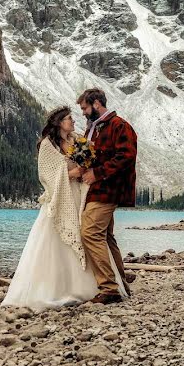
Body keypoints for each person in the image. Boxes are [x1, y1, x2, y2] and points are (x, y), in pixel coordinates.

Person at [1, 106, 127, 310]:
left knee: (85, 234)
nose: (73, 121)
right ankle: (53, 288)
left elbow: (91, 160)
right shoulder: (47, 145)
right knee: (55, 242)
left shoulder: (78, 140)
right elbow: (46, 176)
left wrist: (84, 169)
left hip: (78, 195)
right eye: (69, 119)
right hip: (60, 197)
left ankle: (94, 286)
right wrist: (72, 173)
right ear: (59, 122)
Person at [77, 88, 137, 305]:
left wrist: (97, 173)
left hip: (108, 190)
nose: (83, 112)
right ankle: (120, 284)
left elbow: (127, 156)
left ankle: (109, 288)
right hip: (97, 190)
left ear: (96, 103)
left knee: (90, 233)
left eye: (84, 108)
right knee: (106, 237)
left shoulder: (119, 125)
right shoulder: (94, 128)